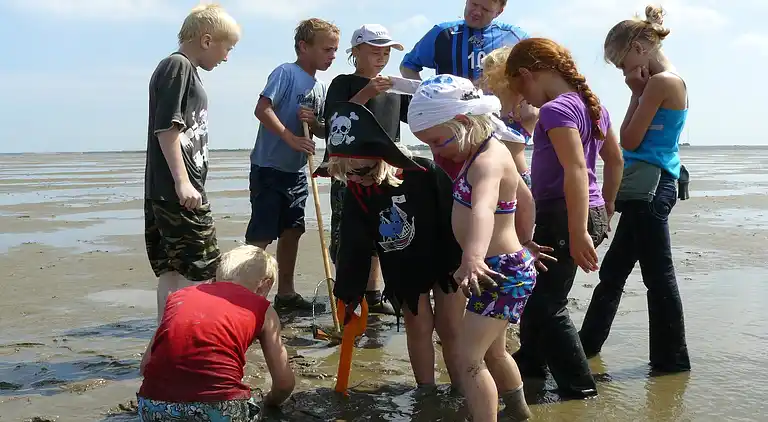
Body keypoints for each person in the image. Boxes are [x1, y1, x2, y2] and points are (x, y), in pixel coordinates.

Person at [409, 75, 552, 421]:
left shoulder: (486, 162)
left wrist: (472, 257)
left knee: (467, 359)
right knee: (495, 353)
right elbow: (525, 197)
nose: (436, 151)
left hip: (495, 270)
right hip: (506, 265)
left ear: (461, 122)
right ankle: (519, 413)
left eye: (438, 141)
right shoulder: (491, 150)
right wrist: (526, 238)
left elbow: (484, 209)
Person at [502, 38, 624, 399]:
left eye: (519, 86)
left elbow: (575, 169)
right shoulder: (594, 106)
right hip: (589, 211)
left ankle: (580, 385)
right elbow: (615, 161)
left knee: (546, 302)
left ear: (529, 74)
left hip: (564, 215)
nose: (523, 97)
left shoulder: (556, 110)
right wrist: (608, 205)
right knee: (538, 291)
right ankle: (532, 365)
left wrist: (577, 231)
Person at [320, 101, 466, 388]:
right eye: (347, 174)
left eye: (362, 172)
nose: (357, 180)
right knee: (418, 325)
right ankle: (426, 390)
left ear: (382, 158)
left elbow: (457, 217)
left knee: (451, 327)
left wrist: (467, 259)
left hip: (446, 256)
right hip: (403, 265)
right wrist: (349, 292)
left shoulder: (425, 174)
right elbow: (354, 244)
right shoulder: (357, 191)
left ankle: (462, 386)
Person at [579, 5, 691, 373]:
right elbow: (632, 141)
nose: (622, 72)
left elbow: (628, 138)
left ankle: (671, 363)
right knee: (613, 274)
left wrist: (635, 94)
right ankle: (585, 348)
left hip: (653, 188)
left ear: (642, 47)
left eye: (621, 62)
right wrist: (637, 93)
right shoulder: (656, 83)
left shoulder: (662, 83)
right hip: (648, 187)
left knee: (658, 278)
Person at [144, 3, 240, 323]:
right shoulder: (178, 66)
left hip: (167, 190)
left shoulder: (183, 70)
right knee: (202, 270)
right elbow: (167, 127)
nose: (227, 57)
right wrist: (183, 182)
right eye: (228, 48)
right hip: (178, 191)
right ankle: (191, 342)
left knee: (173, 273)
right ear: (207, 40)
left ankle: (166, 341)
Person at [317, 23, 412, 316]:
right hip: (349, 168)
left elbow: (416, 119)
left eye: (386, 52)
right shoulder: (343, 82)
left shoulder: (395, 87)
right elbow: (334, 119)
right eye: (374, 51)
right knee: (346, 232)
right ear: (356, 51)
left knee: (382, 229)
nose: (381, 57)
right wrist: (368, 91)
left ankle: (373, 294)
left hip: (386, 169)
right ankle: (347, 296)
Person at [137, 245, 295, 422]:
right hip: (219, 409)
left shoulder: (178, 297)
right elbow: (284, 384)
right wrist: (269, 401)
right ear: (264, 286)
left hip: (153, 406)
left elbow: (145, 366)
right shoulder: (263, 309)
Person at [248, 18, 340, 313]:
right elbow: (262, 109)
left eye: (335, 50)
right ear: (304, 47)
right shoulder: (286, 73)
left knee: (293, 230)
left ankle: (285, 294)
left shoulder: (320, 87)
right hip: (269, 167)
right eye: (327, 49)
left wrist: (314, 123)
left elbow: (324, 130)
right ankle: (244, 293)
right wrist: (289, 137)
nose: (332, 56)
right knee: (261, 234)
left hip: (297, 172)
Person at [399, 0, 531, 180]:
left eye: (485, 9)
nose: (476, 12)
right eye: (473, 4)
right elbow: (408, 66)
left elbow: (533, 75)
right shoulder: (442, 34)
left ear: (499, 11)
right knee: (452, 191)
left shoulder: (516, 37)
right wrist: (430, 99)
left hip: (500, 128)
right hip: (452, 132)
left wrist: (522, 102)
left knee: (503, 186)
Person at [480, 46, 537, 188]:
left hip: (518, 175)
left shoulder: (527, 104)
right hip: (491, 174)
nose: (486, 79)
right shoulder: (491, 103)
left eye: (490, 74)